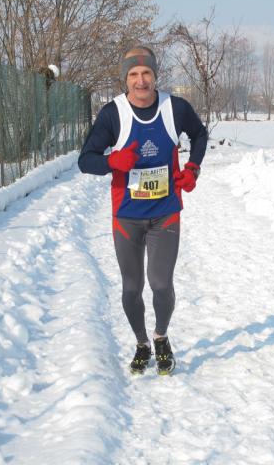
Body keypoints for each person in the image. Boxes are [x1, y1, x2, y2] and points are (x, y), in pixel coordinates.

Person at [78, 45, 207, 375]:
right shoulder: (113, 114)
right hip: (127, 216)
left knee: (161, 284)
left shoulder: (174, 108)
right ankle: (141, 343)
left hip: (166, 211)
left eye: (146, 73)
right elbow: (85, 160)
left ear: (155, 76)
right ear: (125, 80)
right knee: (131, 288)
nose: (140, 80)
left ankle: (161, 336)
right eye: (133, 75)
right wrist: (111, 162)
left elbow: (199, 133)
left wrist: (192, 168)